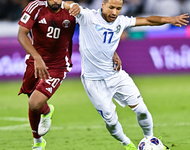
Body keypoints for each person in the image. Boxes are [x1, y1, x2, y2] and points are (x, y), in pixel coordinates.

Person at [64, 0, 189, 150]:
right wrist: (73, 6)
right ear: (103, 5)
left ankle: (150, 138)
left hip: (116, 74)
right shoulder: (87, 16)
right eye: (111, 8)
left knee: (142, 110)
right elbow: (65, 4)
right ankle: (127, 145)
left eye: (118, 8)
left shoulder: (122, 21)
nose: (114, 12)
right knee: (111, 121)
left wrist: (170, 19)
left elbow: (148, 21)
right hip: (94, 81)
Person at [17, 0, 120, 149]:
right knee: (34, 103)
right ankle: (39, 137)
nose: (56, 1)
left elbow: (94, 30)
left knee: (34, 103)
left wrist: (112, 52)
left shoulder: (73, 10)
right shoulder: (36, 7)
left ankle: (41, 132)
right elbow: (21, 34)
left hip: (58, 65)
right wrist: (37, 58)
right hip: (35, 62)